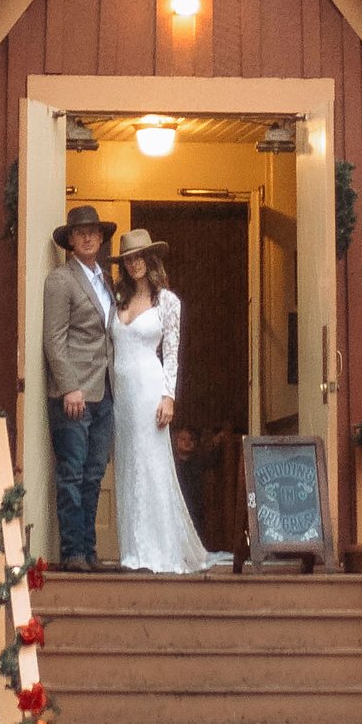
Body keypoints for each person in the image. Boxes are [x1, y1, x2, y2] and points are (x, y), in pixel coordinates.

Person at [109, 230, 231, 575]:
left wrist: (168, 396)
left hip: (150, 387)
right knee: (129, 468)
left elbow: (172, 353)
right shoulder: (117, 300)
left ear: (151, 260)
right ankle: (131, 549)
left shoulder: (167, 301)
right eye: (128, 259)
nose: (134, 264)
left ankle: (157, 549)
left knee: (152, 466)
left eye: (139, 257)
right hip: (122, 392)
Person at [43, 206, 117, 567]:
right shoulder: (60, 280)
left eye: (93, 231)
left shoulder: (107, 281)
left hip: (105, 393)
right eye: (80, 232)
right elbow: (54, 340)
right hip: (73, 395)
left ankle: (89, 549)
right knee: (72, 474)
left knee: (93, 475)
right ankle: (73, 551)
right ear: (70, 240)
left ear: (101, 238)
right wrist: (69, 386)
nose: (87, 237)